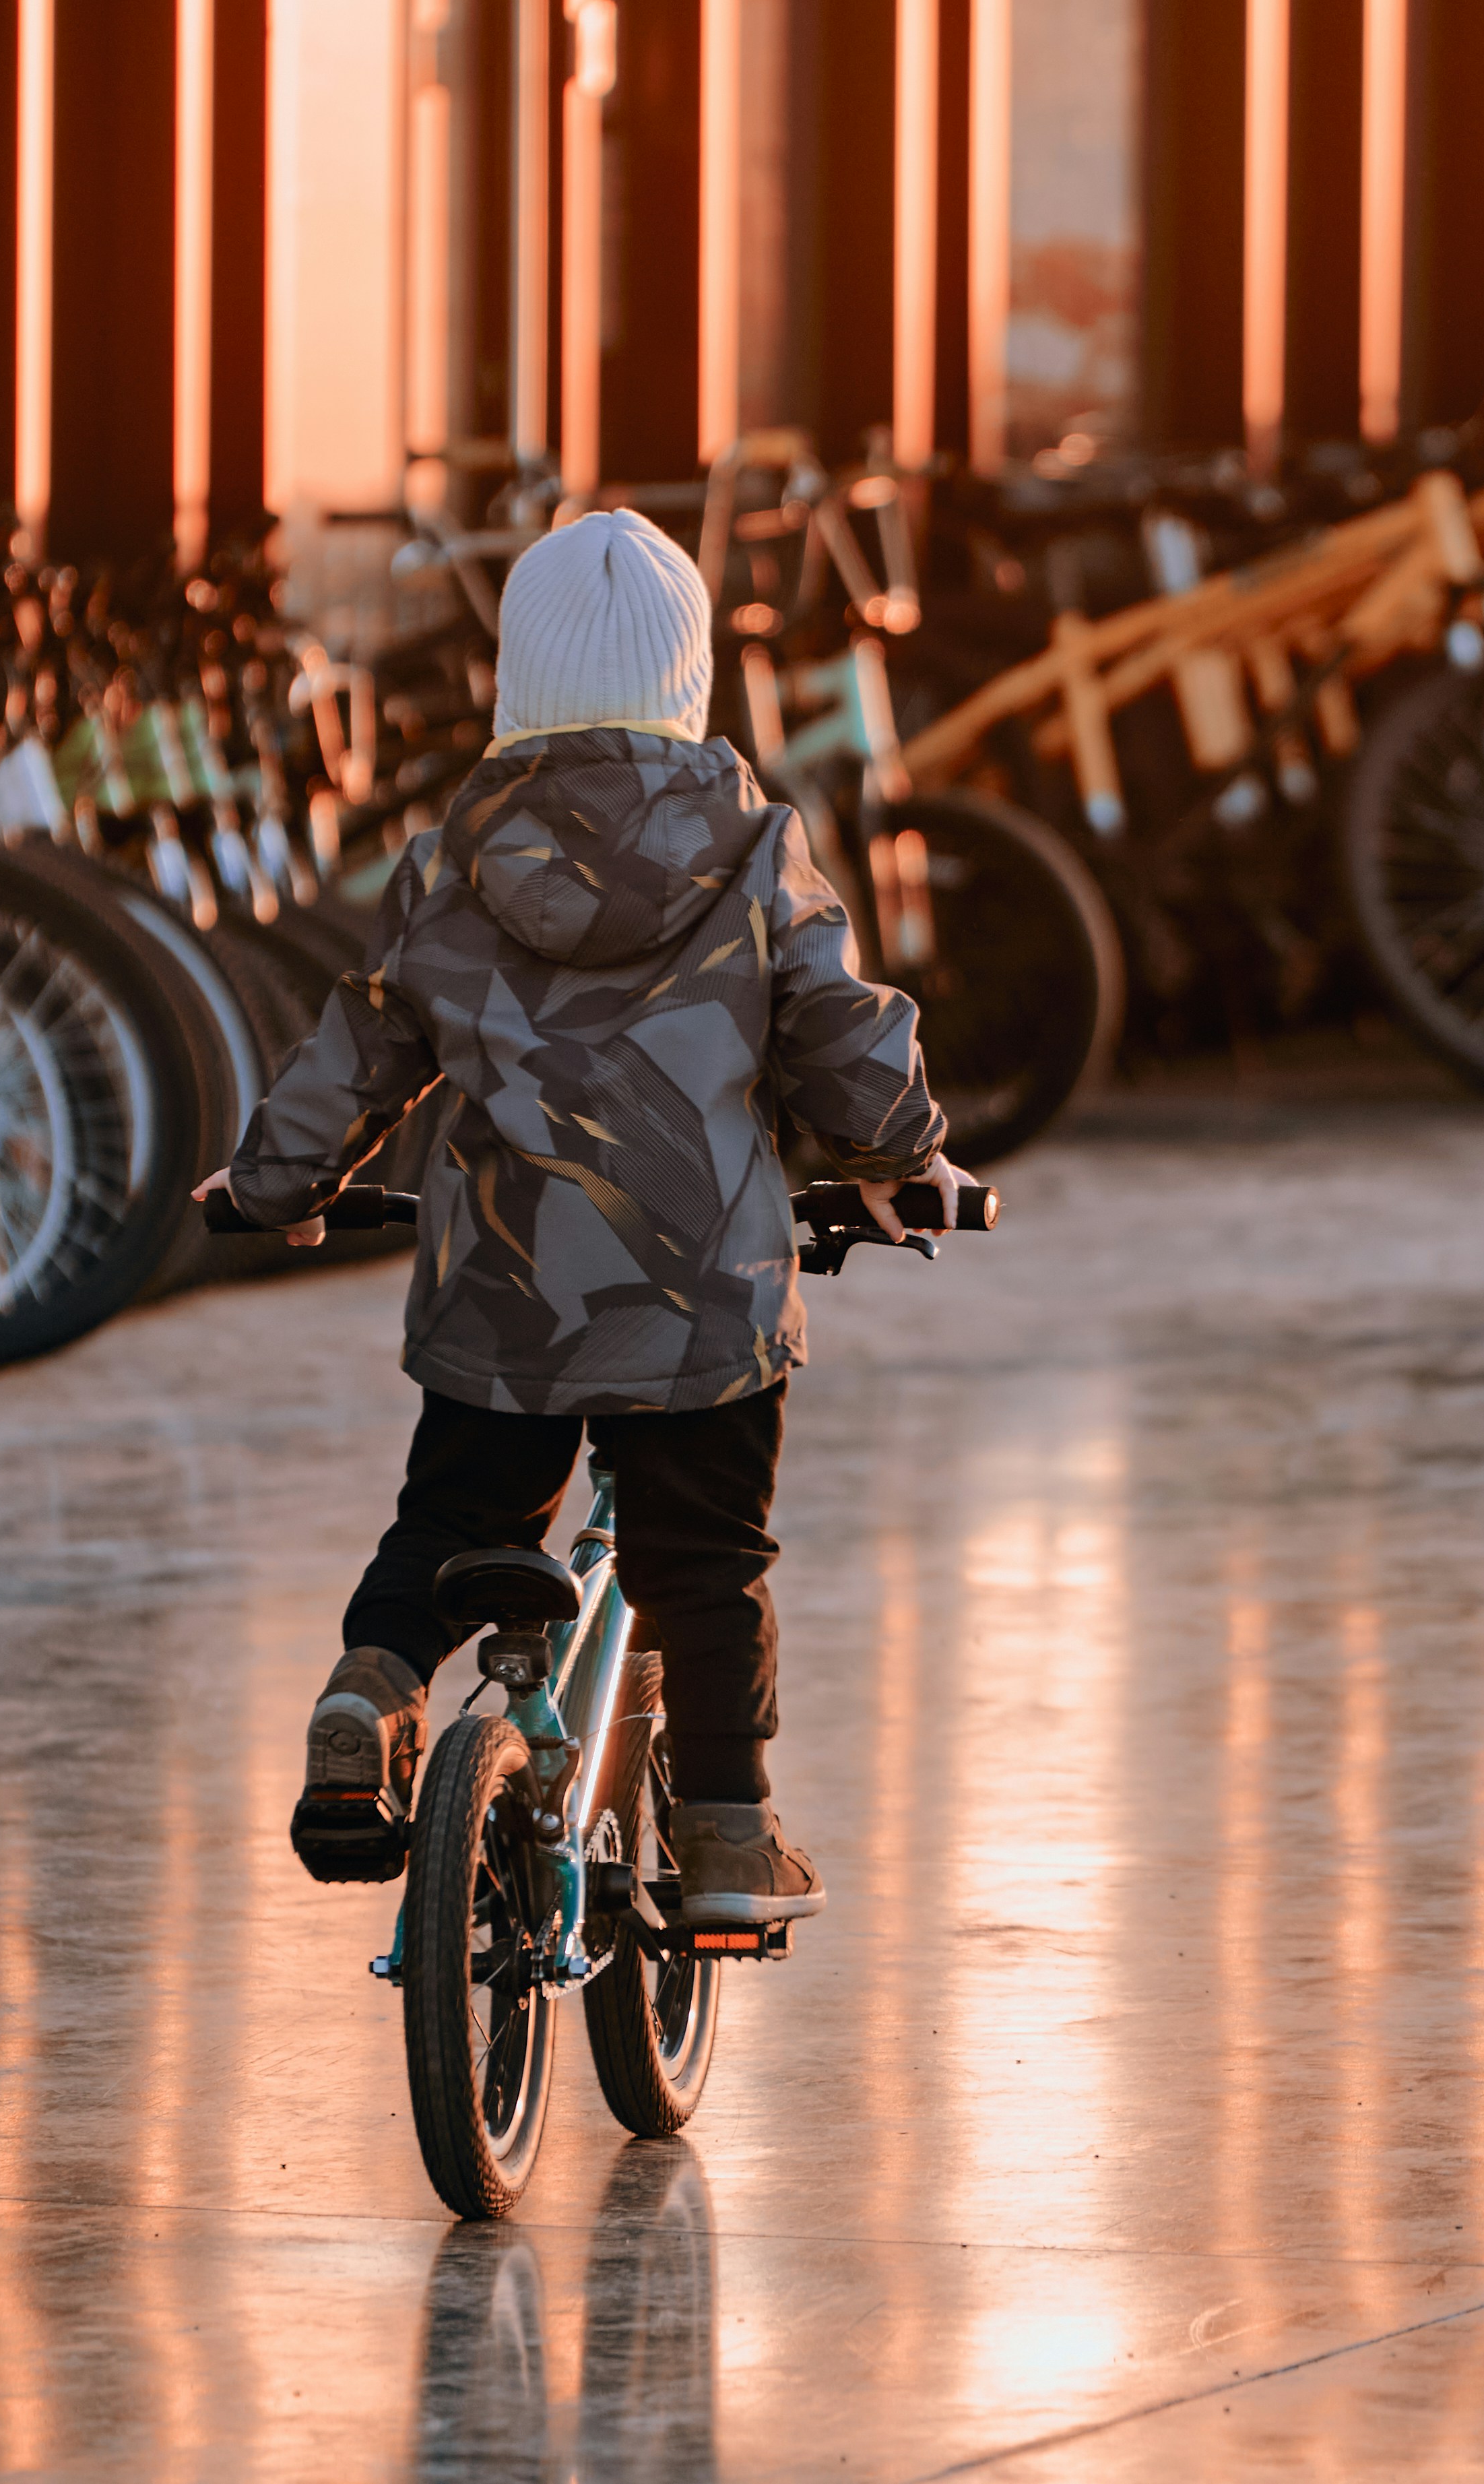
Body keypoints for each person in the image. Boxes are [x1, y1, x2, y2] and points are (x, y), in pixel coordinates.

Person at [201, 507, 966, 1924]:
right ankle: (729, 1837)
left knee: (449, 1525)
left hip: (504, 1301)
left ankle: (371, 1694)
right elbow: (843, 1043)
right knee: (706, 1564)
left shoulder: (450, 860)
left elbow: (361, 1048)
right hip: (704, 1307)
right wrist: (904, 1157)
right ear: (691, 682)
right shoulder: (752, 853)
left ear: (513, 680)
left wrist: (276, 1188)